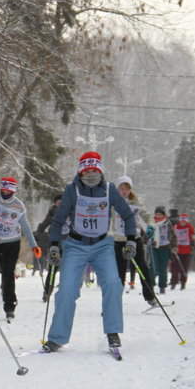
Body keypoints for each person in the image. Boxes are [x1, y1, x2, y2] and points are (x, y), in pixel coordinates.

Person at [42, 151, 137, 352]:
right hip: (76, 245)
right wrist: (53, 245)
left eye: (94, 170)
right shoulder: (71, 190)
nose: (91, 174)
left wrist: (131, 240)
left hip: (103, 245)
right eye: (87, 171)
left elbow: (128, 216)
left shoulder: (110, 190)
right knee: (67, 290)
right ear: (81, 172)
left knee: (113, 283)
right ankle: (57, 337)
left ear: (101, 170)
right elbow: (58, 220)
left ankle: (113, 332)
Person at [0, 177, 41, 320]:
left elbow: (25, 227)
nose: (5, 192)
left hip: (11, 243)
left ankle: (9, 306)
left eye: (8, 190)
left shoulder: (19, 206)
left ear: (13, 191)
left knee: (7, 274)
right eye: (3, 189)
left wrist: (34, 246)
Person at [112, 175, 156, 308]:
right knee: (119, 272)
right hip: (119, 240)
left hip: (135, 239)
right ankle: (114, 303)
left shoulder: (135, 202)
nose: (124, 191)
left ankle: (150, 297)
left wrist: (150, 225)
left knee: (142, 267)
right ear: (117, 189)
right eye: (121, 188)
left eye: (127, 188)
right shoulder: (113, 203)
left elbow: (147, 215)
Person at [36, 194, 67, 302]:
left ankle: (65, 292)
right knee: (52, 268)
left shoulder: (70, 211)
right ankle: (47, 292)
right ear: (55, 203)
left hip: (68, 242)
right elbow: (44, 225)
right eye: (58, 202)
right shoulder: (52, 213)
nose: (60, 204)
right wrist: (38, 234)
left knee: (67, 269)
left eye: (62, 202)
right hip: (55, 243)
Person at [149, 206, 177, 295]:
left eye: (160, 214)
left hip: (165, 247)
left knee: (163, 268)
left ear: (163, 215)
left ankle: (162, 286)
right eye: (157, 214)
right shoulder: (152, 223)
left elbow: (173, 235)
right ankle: (151, 285)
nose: (158, 216)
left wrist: (174, 246)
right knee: (154, 267)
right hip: (154, 247)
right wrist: (148, 239)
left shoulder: (168, 223)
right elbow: (147, 235)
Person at [170, 213, 195, 290]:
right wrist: (172, 246)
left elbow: (193, 238)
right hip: (177, 250)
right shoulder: (176, 227)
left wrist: (193, 245)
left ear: (186, 221)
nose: (183, 222)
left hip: (187, 251)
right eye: (181, 220)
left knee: (184, 268)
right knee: (175, 267)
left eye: (184, 220)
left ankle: (183, 283)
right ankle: (174, 282)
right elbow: (172, 237)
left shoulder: (190, 227)